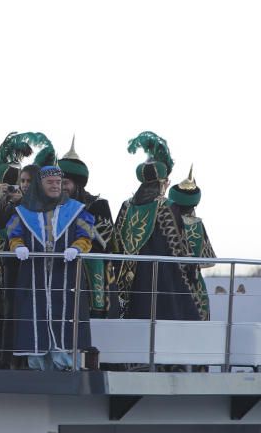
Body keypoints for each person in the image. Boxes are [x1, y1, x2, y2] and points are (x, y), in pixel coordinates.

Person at [7, 162, 95, 370]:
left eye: (59, 182)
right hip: (34, 274)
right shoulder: (23, 211)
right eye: (50, 182)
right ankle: (37, 364)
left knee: (64, 317)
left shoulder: (75, 209)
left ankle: (64, 363)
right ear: (40, 184)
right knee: (34, 317)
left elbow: (86, 235)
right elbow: (14, 234)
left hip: (65, 273)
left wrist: (77, 248)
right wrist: (17, 246)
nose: (56, 186)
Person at [112, 132, 205, 320]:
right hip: (162, 283)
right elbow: (179, 247)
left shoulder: (126, 205)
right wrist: (192, 273)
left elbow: (115, 242)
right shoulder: (166, 207)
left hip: (126, 280)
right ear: (162, 183)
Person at [0, 132, 50, 368]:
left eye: (26, 182)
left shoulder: (39, 204)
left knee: (22, 311)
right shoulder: (11, 202)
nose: (22, 186)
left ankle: (22, 359)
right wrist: (4, 201)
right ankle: (3, 357)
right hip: (7, 264)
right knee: (4, 310)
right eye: (20, 181)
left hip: (27, 266)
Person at [59, 137, 115, 318]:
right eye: (58, 182)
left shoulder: (98, 205)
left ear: (78, 183)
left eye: (65, 183)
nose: (61, 187)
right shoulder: (52, 207)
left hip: (92, 273)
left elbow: (105, 241)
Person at [168, 166, 215, 320]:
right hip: (194, 283)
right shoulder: (197, 224)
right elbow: (207, 261)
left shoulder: (165, 221)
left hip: (166, 279)